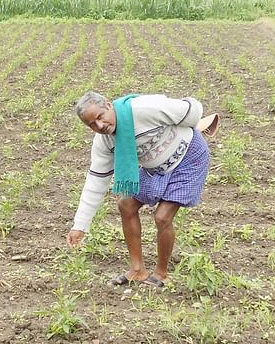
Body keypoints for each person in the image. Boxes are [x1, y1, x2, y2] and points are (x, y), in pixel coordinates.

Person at [67, 91, 218, 289]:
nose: (100, 126)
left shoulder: (143, 109)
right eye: (92, 125)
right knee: (126, 205)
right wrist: (80, 225)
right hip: (156, 168)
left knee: (163, 217)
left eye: (100, 117)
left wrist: (190, 122)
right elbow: (96, 181)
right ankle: (137, 270)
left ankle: (161, 274)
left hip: (188, 158)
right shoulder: (104, 142)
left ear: (108, 105)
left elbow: (192, 109)